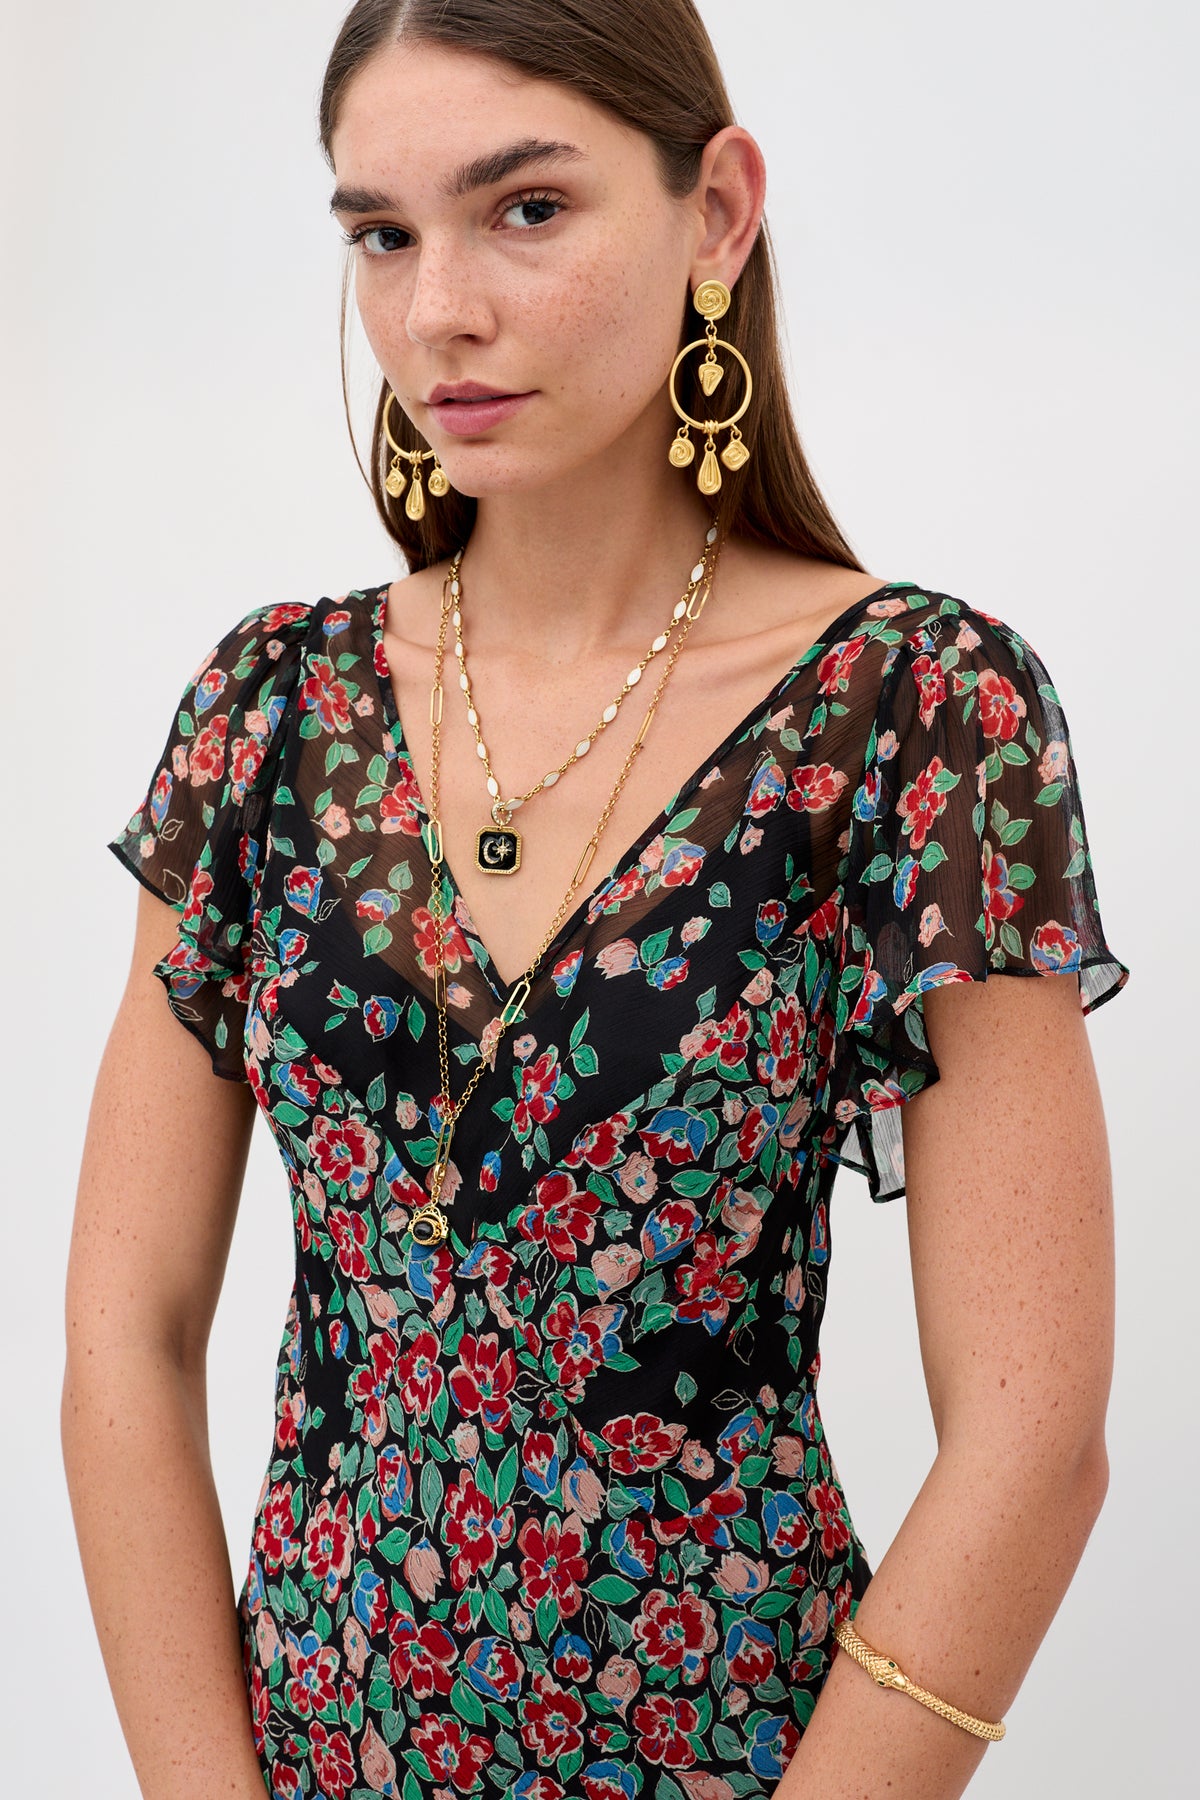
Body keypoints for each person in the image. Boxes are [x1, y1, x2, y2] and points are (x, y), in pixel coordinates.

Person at [62, 3, 1131, 1797]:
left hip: (740, 1757)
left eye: (527, 210)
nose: (438, 311)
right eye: (382, 235)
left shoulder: (918, 712)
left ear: (717, 211)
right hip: (305, 1760)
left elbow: (1034, 1437)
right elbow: (124, 1336)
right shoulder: (271, 715)